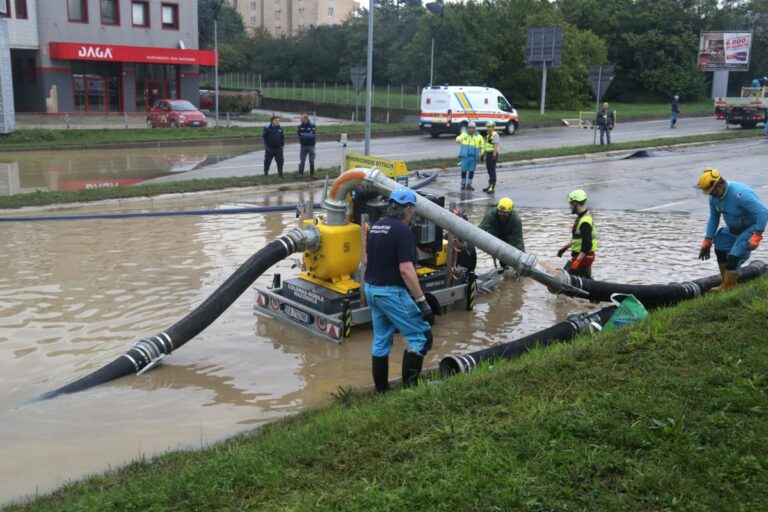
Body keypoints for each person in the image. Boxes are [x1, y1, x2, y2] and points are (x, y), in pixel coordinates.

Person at [364, 186, 435, 392]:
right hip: (390, 292)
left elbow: (367, 261)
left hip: (372, 290)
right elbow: (406, 269)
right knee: (421, 337)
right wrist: (421, 301)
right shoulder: (403, 230)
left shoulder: (377, 226)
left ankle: (382, 392)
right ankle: (410, 392)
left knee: (381, 341)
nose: (412, 214)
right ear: (407, 209)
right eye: (412, 210)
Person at [695, 168, 768, 291]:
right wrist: (707, 241)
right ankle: (725, 283)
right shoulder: (714, 198)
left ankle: (729, 287)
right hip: (733, 228)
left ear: (719, 185)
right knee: (720, 248)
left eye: (711, 192)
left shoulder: (740, 194)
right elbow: (714, 219)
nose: (710, 195)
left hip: (751, 227)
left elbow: (763, 212)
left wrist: (757, 236)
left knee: (734, 257)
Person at [557, 189, 597, 279]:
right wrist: (565, 247)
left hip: (583, 258)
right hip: (584, 257)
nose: (570, 207)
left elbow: (587, 244)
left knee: (563, 280)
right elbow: (579, 240)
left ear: (575, 203)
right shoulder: (582, 217)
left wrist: (577, 261)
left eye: (570, 204)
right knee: (585, 282)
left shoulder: (585, 221)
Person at [455, 121, 484, 191]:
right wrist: (459, 138)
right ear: (468, 128)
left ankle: (469, 185)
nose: (471, 130)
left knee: (471, 171)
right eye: (470, 128)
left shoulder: (479, 137)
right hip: (465, 157)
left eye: (473, 128)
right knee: (464, 171)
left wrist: (482, 153)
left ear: (475, 129)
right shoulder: (464, 135)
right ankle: (463, 185)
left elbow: (482, 146)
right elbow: (457, 139)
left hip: (474, 157)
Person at [481, 120, 500, 193]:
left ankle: (492, 187)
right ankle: (489, 185)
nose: (489, 128)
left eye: (490, 127)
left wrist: (494, 156)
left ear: (493, 127)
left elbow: (495, 146)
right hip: (488, 154)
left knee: (492, 171)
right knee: (489, 170)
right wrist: (483, 155)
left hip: (492, 154)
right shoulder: (488, 135)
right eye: (488, 127)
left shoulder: (495, 135)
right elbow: (486, 146)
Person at [296, 113, 317, 179]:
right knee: (302, 160)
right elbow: (299, 136)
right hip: (303, 146)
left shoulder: (312, 125)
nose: (301, 120)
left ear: (306, 119)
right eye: (300, 119)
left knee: (311, 160)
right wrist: (307, 134)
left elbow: (313, 135)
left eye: (302, 119)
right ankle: (300, 174)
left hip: (311, 145)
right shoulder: (299, 126)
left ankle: (312, 175)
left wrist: (304, 134)